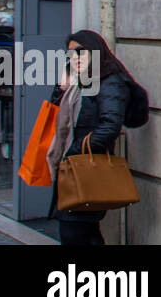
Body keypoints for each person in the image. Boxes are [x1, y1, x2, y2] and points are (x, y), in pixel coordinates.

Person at [46, 30, 133, 245]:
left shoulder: (110, 82)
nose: (74, 57)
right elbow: (57, 116)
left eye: (80, 52)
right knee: (85, 232)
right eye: (70, 53)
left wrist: (76, 151)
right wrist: (60, 88)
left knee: (73, 232)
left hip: (85, 167)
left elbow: (110, 126)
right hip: (72, 167)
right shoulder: (80, 82)